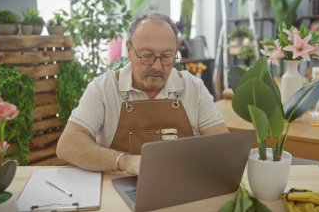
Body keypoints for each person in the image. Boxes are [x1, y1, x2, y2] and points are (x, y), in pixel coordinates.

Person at [56, 11, 229, 175]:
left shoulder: (194, 88)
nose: (157, 66)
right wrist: (125, 162)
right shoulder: (104, 88)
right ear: (129, 50)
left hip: (182, 184)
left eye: (167, 56)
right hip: (118, 188)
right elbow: (68, 145)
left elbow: (224, 146)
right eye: (147, 55)